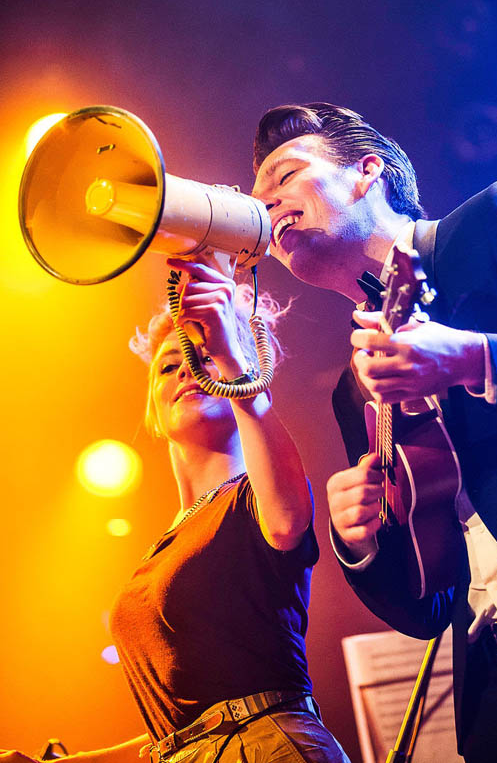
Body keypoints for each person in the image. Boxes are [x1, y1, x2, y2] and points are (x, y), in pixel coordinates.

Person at [251, 102, 497, 762]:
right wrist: (358, 538)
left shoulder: (492, 220)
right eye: (255, 199)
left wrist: (474, 357)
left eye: (284, 177)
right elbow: (426, 608)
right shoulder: (354, 387)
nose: (265, 206)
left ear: (366, 171)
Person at [1, 258, 350, 763]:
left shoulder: (252, 500)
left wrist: (233, 359)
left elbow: (289, 519)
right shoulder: (163, 546)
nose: (188, 368)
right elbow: (181, 732)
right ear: (153, 409)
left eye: (205, 358)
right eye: (169, 365)